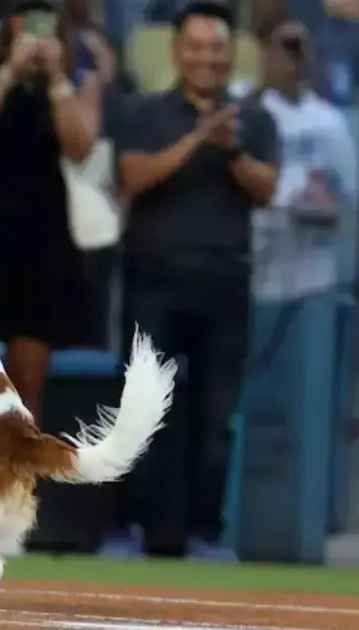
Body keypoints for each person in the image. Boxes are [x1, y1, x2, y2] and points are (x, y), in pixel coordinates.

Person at [106, 0, 278, 561]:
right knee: (140, 409)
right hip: (153, 280)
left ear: (231, 54)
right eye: (198, 47)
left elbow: (266, 188)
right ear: (178, 52)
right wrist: (198, 138)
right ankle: (131, 527)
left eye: (218, 49)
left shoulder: (255, 119)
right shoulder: (143, 111)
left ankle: (205, 533)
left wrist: (229, 147)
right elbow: (132, 177)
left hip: (226, 284)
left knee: (215, 420)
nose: (208, 58)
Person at [0, 0, 102, 424]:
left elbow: (81, 146)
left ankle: (19, 480)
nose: (33, 28)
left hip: (44, 241)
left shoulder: (78, 80)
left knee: (27, 383)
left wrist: (54, 79)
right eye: (23, 15)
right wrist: (8, 74)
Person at [236, 15, 358, 301]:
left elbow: (349, 193)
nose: (294, 59)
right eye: (286, 48)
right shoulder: (243, 109)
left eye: (301, 49)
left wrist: (325, 201)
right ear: (266, 54)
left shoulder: (330, 121)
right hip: (256, 269)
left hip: (314, 275)